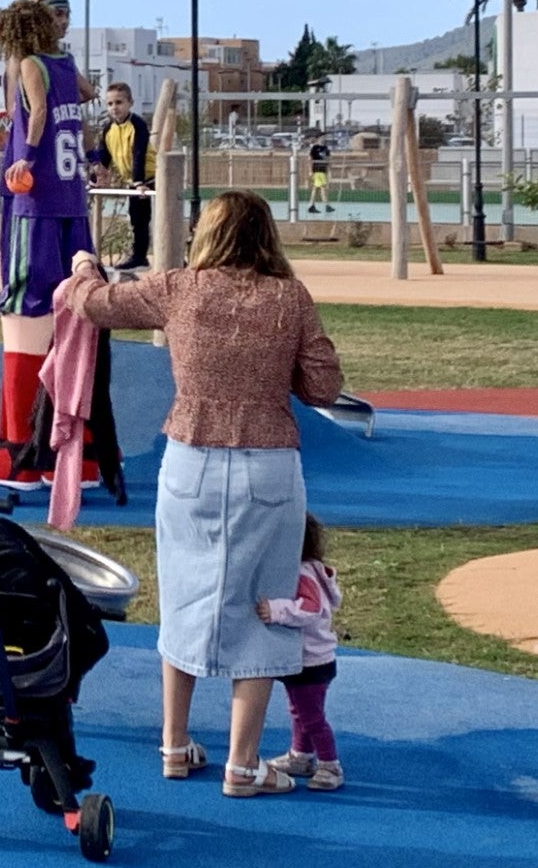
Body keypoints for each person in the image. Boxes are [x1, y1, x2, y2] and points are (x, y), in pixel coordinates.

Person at [56, 190, 344, 799]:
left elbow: (95, 305)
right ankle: (243, 765)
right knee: (265, 607)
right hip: (268, 463)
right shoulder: (289, 298)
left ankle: (174, 744)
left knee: (185, 595)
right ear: (266, 236)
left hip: (190, 458)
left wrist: (85, 266)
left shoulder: (180, 288)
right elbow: (323, 385)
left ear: (206, 233)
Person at [0, 0, 95, 490]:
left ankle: (23, 451)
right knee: (76, 314)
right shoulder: (62, 64)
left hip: (34, 200)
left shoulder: (29, 63)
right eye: (57, 13)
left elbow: (36, 112)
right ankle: (82, 452)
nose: (62, 21)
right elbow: (83, 93)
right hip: (71, 200)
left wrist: (24, 149)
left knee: (24, 309)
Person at [260, 514, 345, 791]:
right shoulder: (309, 569)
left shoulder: (302, 573)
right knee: (299, 710)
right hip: (309, 658)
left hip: (312, 661)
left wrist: (275, 610)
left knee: (311, 716)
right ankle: (301, 755)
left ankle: (330, 765)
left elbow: (310, 608)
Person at [89, 81, 154, 270]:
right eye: (110, 104)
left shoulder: (137, 124)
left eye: (119, 102)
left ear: (130, 103)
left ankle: (155, 256)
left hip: (150, 177)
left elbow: (139, 154)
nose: (114, 108)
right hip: (133, 180)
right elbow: (104, 156)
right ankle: (140, 257)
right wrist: (97, 179)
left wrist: (139, 181)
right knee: (136, 218)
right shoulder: (109, 128)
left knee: (150, 218)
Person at [306, 137, 334, 213]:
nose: (323, 139)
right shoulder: (315, 148)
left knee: (316, 189)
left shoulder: (325, 148)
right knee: (322, 187)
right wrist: (310, 170)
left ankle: (311, 205)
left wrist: (329, 170)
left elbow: (328, 159)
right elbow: (310, 159)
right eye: (321, 137)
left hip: (323, 170)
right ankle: (327, 205)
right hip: (317, 170)